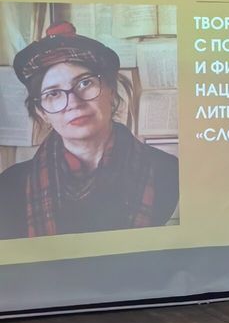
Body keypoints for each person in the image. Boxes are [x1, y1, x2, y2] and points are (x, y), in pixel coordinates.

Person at [0, 22, 178, 239]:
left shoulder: (168, 171)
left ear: (111, 91)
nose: (74, 103)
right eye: (53, 93)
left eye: (85, 83)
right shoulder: (9, 186)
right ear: (42, 112)